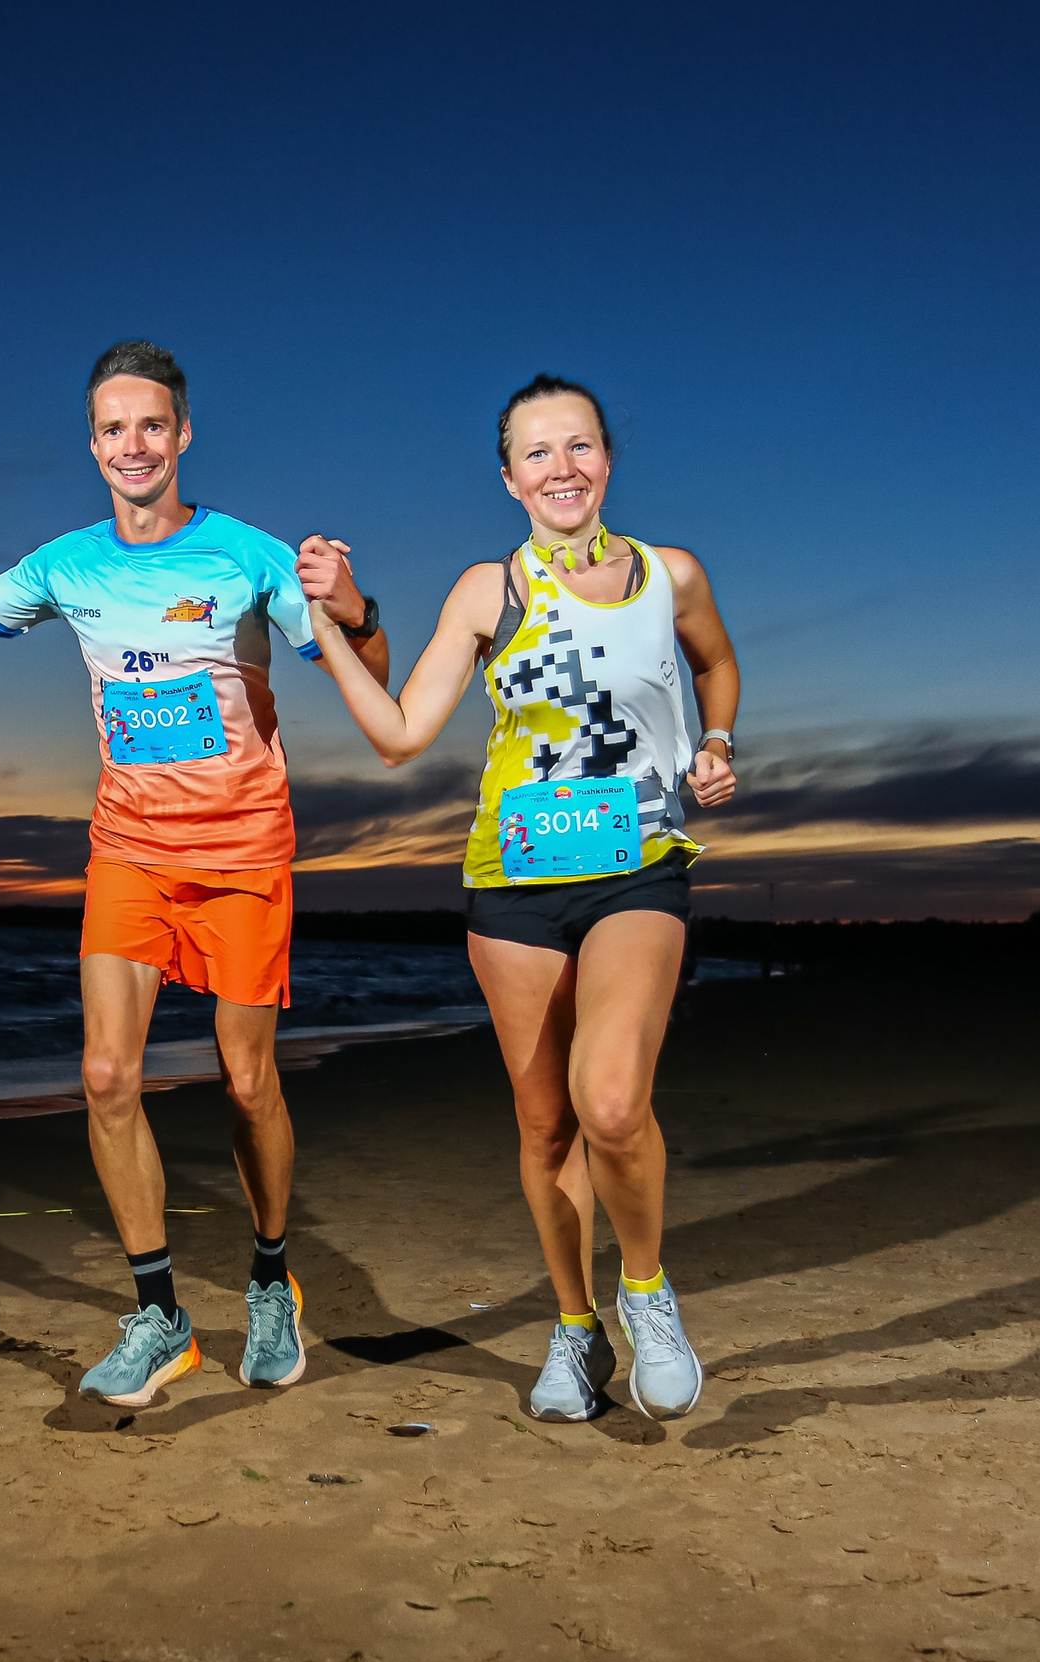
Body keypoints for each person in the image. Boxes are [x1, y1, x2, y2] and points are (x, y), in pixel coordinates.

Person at [0, 340, 390, 1407]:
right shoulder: (65, 564)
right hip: (128, 848)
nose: (132, 445)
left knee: (245, 1081)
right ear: (93, 447)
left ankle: (272, 1282)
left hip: (240, 853)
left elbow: (373, 678)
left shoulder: (250, 556)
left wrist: (353, 606)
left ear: (181, 435)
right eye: (112, 429)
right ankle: (158, 1315)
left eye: (150, 425)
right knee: (103, 1077)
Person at [297, 374, 739, 1422]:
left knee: (611, 1104)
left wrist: (717, 743)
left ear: (607, 459)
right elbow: (403, 734)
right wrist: (325, 628)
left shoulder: (668, 575)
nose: (561, 469)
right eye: (537, 454)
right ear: (508, 479)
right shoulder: (484, 592)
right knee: (545, 1130)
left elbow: (715, 666)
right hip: (513, 883)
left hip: (639, 868)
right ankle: (575, 1332)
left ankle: (646, 1294)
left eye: (578, 446)